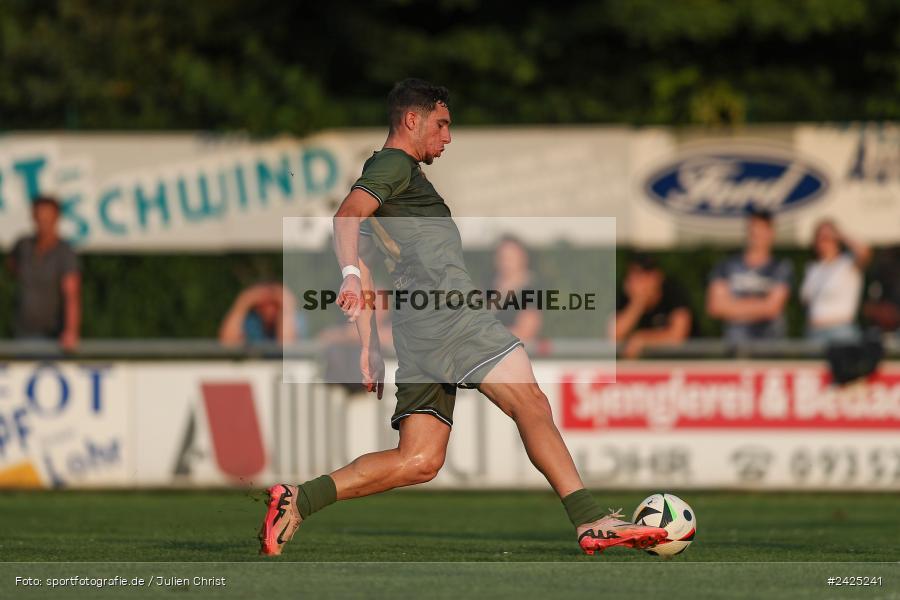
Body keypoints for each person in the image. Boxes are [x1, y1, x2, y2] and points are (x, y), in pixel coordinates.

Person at [257, 78, 666, 556]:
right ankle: (590, 520)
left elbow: (369, 261)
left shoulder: (388, 178)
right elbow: (346, 221)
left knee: (419, 460)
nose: (447, 137)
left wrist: (368, 343)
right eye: (442, 123)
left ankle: (299, 500)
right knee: (530, 403)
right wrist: (348, 275)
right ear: (412, 120)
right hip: (449, 315)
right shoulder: (393, 165)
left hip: (419, 326)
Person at [706, 209, 792, 343]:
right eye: (753, 230)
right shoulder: (727, 265)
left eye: (761, 230)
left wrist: (733, 306)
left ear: (771, 233)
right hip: (735, 346)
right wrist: (759, 305)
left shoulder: (781, 267)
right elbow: (716, 306)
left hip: (770, 346)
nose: (756, 235)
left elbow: (772, 308)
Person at [6, 196, 81, 350]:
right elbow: (11, 266)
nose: (44, 223)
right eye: (40, 218)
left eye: (48, 218)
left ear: (57, 219)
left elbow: (71, 294)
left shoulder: (64, 252)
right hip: (21, 331)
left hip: (52, 334)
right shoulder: (23, 245)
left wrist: (71, 331)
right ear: (33, 217)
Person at [800, 219, 871, 343]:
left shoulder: (847, 264)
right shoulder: (813, 269)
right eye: (820, 237)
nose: (823, 241)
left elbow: (864, 251)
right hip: (814, 332)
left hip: (841, 332)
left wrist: (840, 234)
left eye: (827, 237)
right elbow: (806, 301)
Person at [610, 254, 694, 358]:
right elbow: (614, 335)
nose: (642, 282)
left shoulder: (673, 292)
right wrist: (637, 302)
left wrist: (643, 340)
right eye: (637, 276)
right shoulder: (625, 298)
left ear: (658, 277)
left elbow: (679, 336)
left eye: (646, 275)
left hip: (681, 364)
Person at [488, 235, 542, 343]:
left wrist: (484, 335)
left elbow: (525, 333)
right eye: (502, 257)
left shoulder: (530, 292)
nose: (505, 262)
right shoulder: (488, 285)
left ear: (523, 258)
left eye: (510, 257)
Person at [218, 282, 303, 345]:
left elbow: (288, 346)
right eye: (263, 304)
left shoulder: (294, 319)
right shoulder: (252, 321)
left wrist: (287, 304)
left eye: (274, 303)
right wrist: (243, 303)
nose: (268, 309)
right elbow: (228, 344)